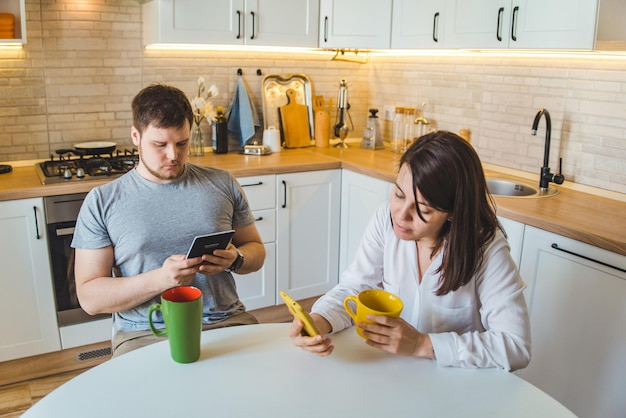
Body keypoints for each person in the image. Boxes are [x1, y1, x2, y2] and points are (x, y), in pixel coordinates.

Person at [288, 131, 531, 371]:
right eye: (398, 194)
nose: (401, 214)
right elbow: (355, 288)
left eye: (423, 209)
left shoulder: (486, 247)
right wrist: (318, 321)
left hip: (457, 384)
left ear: (454, 212)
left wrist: (423, 344)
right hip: (394, 372)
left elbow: (515, 345)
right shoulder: (386, 218)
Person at [72, 84, 266, 357]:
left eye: (182, 143)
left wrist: (236, 258)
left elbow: (256, 252)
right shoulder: (103, 201)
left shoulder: (222, 184)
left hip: (226, 321)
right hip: (145, 332)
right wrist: (162, 279)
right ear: (135, 136)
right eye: (160, 144)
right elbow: (90, 298)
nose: (173, 155)